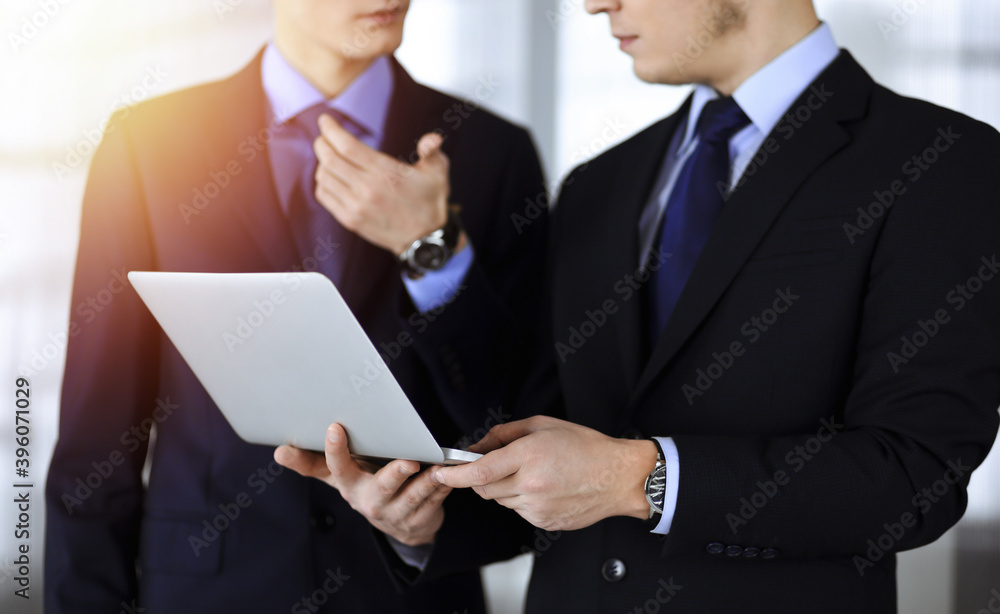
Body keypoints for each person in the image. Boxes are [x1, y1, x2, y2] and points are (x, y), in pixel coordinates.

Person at [424, 0, 1000, 612]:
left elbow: (913, 477)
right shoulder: (599, 182)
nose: (595, 5)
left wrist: (637, 478)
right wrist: (426, 517)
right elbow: (546, 434)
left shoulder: (943, 162)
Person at [44, 0, 546, 612]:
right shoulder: (147, 146)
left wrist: (431, 250)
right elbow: (96, 437)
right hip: (208, 590)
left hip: (409, 594)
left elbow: (520, 415)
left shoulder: (494, 152)